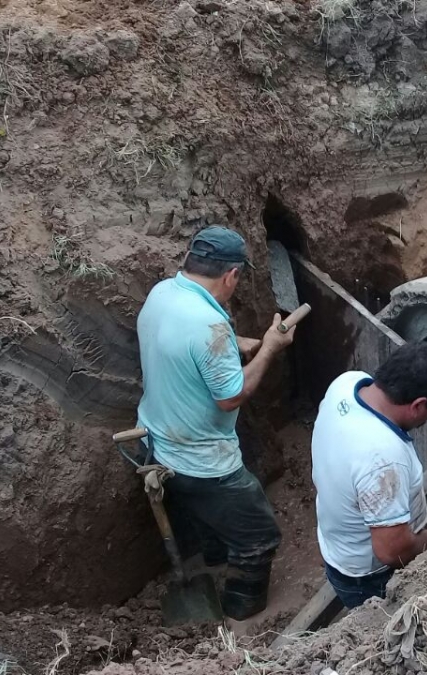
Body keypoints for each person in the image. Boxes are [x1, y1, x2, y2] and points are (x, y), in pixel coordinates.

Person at [135, 225, 295, 623]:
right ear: (231, 275)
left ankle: (216, 557)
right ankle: (242, 612)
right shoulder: (209, 326)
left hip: (154, 442)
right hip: (201, 465)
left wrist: (235, 343)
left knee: (208, 514)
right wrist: (270, 348)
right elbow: (232, 395)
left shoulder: (163, 294)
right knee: (259, 537)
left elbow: (183, 345)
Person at [311, 342, 427, 608]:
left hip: (337, 543)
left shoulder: (348, 383)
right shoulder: (383, 460)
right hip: (370, 578)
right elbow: (392, 551)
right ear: (418, 405)